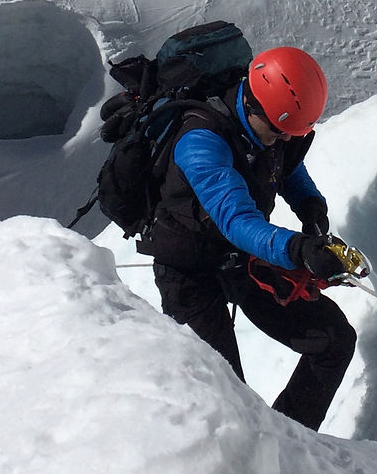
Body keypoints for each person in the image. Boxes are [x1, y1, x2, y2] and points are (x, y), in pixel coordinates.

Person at [144, 45, 356, 431]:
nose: (283, 139)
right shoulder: (200, 142)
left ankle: (292, 443)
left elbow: (286, 165)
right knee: (228, 403)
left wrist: (309, 203)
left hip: (242, 260)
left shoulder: (269, 127)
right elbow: (237, 220)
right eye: (278, 130)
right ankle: (252, 450)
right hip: (189, 273)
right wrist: (297, 249)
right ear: (252, 105)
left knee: (334, 340)